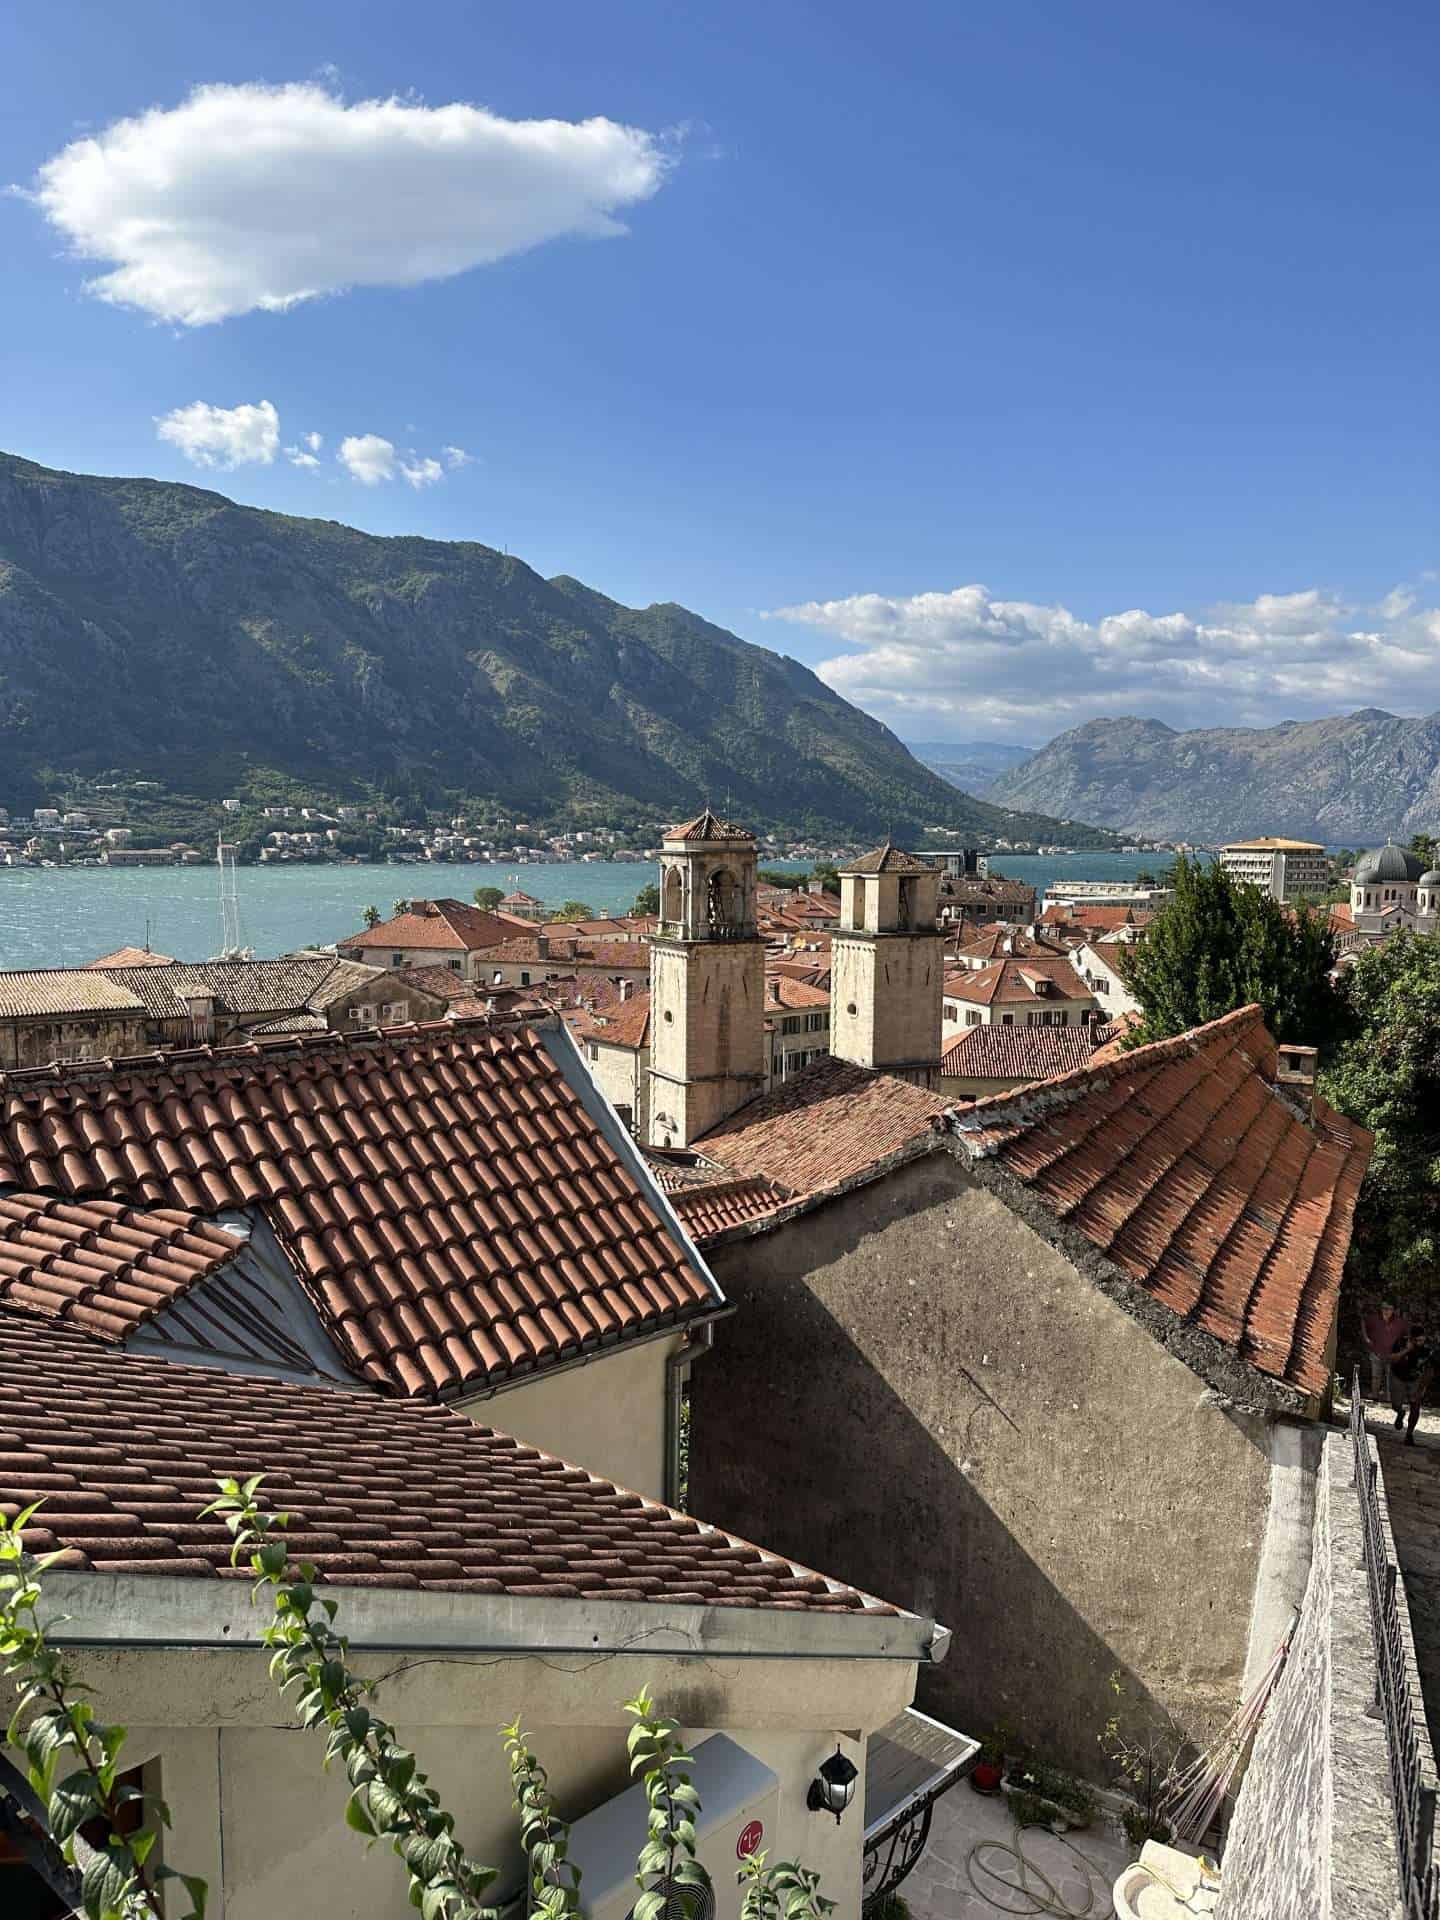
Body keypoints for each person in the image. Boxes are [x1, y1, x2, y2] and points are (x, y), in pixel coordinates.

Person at [1389, 1326, 1435, 1446]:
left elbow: (1430, 1370)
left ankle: (1409, 1434)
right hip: (1398, 1376)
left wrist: (1421, 1389)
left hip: (1415, 1379)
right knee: (1395, 1404)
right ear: (1411, 1339)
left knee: (1415, 1406)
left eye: (1422, 1340)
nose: (1420, 1343)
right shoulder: (1400, 1342)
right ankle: (1400, 1413)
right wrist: (1406, 1350)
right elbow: (1392, 1359)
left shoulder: (1427, 1349)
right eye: (1418, 1340)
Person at [1363, 1299, 1411, 1401]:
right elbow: (1363, 1323)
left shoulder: (1399, 1322)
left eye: (1389, 1309)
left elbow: (1407, 1334)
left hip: (1392, 1355)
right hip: (1377, 1353)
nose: (1386, 1311)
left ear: (1393, 1310)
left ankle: (1389, 1399)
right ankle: (1375, 1396)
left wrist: (1404, 1347)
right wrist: (1366, 1338)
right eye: (1384, 1308)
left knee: (1391, 1377)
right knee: (1376, 1376)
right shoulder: (1374, 1319)